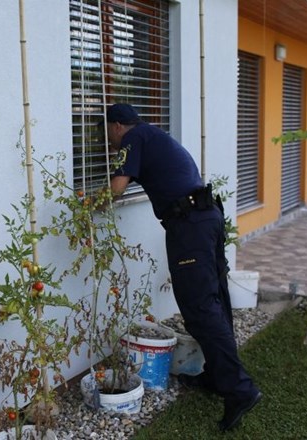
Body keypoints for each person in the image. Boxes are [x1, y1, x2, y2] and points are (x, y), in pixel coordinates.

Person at [104, 103, 262, 431]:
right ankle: (218, 377)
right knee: (214, 301)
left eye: (107, 132)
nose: (108, 140)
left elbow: (116, 188)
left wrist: (89, 202)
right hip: (205, 218)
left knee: (200, 308)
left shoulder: (133, 139)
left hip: (189, 227)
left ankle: (240, 389)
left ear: (118, 125)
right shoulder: (154, 136)